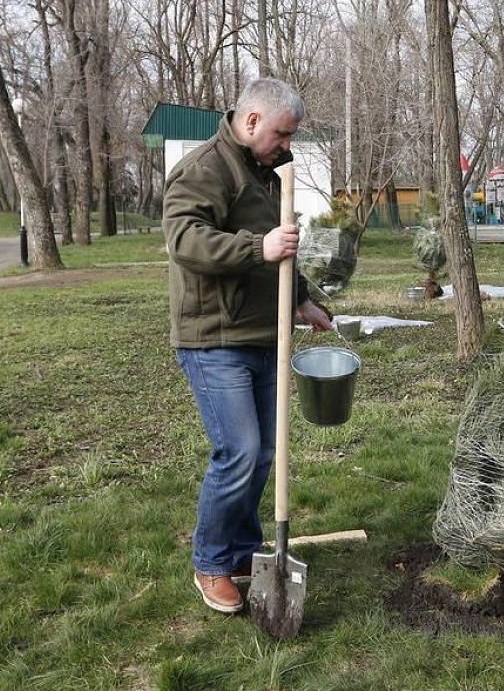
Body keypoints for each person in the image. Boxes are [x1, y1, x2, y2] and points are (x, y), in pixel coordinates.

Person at [163, 78, 332, 614]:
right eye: (283, 133)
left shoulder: (265, 176)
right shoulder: (205, 168)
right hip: (216, 337)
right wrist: (257, 246)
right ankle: (210, 563)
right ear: (253, 121)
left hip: (263, 334)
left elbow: (280, 255)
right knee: (236, 451)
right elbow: (185, 238)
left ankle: (240, 552)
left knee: (260, 455)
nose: (288, 144)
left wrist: (302, 300)